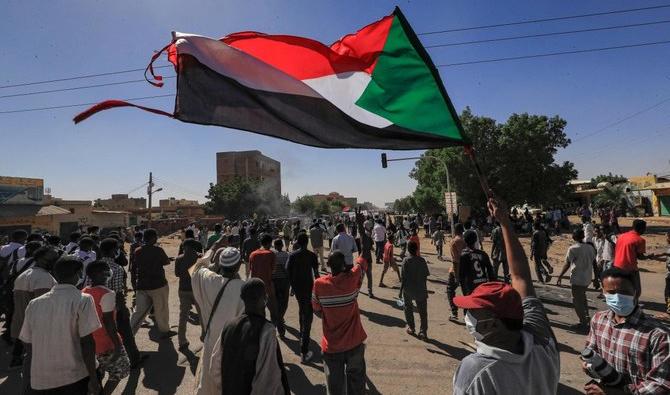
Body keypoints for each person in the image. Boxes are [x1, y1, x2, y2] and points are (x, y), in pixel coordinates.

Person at [452, 196, 560, 395]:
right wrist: (504, 222)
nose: (469, 316)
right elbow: (521, 277)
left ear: (492, 324)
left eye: (475, 312)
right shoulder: (541, 340)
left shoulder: (475, 371)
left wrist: (504, 222)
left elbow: (520, 277)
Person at [19, 256, 102, 395]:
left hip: (41, 380)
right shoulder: (83, 299)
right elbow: (87, 342)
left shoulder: (35, 303)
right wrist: (93, 379)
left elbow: (27, 341)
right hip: (75, 376)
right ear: (79, 274)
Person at [584, 267, 670, 394]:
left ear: (635, 292)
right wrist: (589, 366)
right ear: (603, 292)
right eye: (611, 292)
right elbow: (591, 350)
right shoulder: (599, 320)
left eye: (624, 292)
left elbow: (661, 383)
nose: (618, 297)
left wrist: (614, 393)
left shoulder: (658, 335)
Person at [215, 278, 290, 394]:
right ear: (264, 299)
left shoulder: (229, 325)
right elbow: (267, 379)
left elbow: (215, 366)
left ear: (243, 299)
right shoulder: (266, 331)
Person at [190, 245, 245, 395]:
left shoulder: (208, 279)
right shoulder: (244, 288)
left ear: (220, 264)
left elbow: (197, 267)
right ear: (239, 265)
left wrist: (211, 250)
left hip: (211, 340)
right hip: (233, 345)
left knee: (208, 382)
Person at [312, 251, 368, 395]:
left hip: (332, 346)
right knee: (357, 384)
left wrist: (330, 314)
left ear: (328, 265)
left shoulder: (319, 285)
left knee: (335, 387)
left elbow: (316, 309)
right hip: (354, 343)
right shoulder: (352, 280)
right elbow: (361, 263)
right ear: (344, 265)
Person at [82, 260, 131, 389]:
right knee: (121, 370)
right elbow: (109, 322)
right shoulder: (107, 294)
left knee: (98, 372)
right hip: (106, 342)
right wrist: (117, 345)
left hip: (90, 342)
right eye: (107, 270)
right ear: (102, 274)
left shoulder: (84, 291)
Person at [97, 238, 143, 369]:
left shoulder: (96, 266)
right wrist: (123, 308)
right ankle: (134, 359)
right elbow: (117, 292)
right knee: (126, 334)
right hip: (114, 308)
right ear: (113, 251)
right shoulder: (116, 268)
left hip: (98, 306)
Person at [10, 246, 58, 370]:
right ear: (42, 259)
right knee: (34, 364)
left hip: (21, 325)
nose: (56, 260)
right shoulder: (44, 278)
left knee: (30, 360)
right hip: (35, 329)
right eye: (53, 257)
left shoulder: (24, 275)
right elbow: (43, 309)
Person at [129, 229, 175, 338]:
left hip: (142, 285)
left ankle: (129, 334)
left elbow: (134, 267)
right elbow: (166, 262)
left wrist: (134, 285)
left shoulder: (137, 250)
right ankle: (164, 331)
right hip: (158, 284)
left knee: (139, 312)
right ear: (154, 238)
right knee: (161, 309)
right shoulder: (158, 250)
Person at [286, 233, 319, 363]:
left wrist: (292, 287)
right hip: (309, 288)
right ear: (307, 242)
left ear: (298, 242)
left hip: (298, 288)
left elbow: (287, 271)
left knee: (302, 310)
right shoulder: (311, 256)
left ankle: (301, 333)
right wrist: (319, 290)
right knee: (308, 317)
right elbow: (316, 274)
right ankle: (304, 351)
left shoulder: (292, 255)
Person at [556, 229, 596, 331]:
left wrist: (560, 276)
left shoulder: (573, 248)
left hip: (577, 278)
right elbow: (594, 264)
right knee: (582, 298)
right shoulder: (590, 248)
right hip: (587, 278)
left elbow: (567, 263)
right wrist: (597, 278)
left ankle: (583, 322)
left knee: (577, 301)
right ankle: (586, 317)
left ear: (574, 237)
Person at [249, 233, 282, 335]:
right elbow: (273, 271)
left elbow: (251, 270)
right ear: (269, 243)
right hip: (268, 286)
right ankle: (272, 332)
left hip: (255, 288)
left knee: (260, 312)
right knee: (274, 312)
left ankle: (260, 332)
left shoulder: (253, 254)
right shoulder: (271, 254)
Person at [175, 238, 202, 351]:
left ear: (185, 247)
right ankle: (205, 336)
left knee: (183, 316)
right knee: (202, 315)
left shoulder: (179, 258)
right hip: (197, 290)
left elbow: (177, 274)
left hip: (183, 289)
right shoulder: (199, 257)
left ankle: (182, 341)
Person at [399, 241, 429, 339]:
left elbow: (403, 278)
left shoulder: (405, 261)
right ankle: (423, 331)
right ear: (417, 249)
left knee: (408, 308)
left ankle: (411, 327)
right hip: (420, 288)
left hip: (408, 289)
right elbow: (425, 276)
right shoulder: (422, 260)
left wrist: (400, 291)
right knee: (423, 312)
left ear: (408, 249)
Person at [613, 219, 649, 297]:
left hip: (617, 265)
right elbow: (640, 257)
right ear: (641, 229)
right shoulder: (640, 240)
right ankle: (633, 305)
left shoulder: (621, 236)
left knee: (620, 288)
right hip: (630, 268)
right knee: (636, 290)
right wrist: (650, 257)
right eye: (645, 228)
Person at [459, 230, 496, 296]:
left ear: (464, 240)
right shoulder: (483, 254)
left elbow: (461, 276)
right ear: (476, 240)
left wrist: (465, 293)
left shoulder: (464, 255)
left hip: (471, 288)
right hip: (483, 286)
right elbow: (491, 273)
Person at [447, 224, 466, 321]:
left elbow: (455, 260)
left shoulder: (454, 242)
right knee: (466, 292)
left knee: (450, 290)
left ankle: (454, 313)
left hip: (456, 270)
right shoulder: (465, 240)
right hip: (466, 270)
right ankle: (467, 315)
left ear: (455, 230)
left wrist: (456, 276)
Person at [271, 239, 290, 338]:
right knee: (284, 302)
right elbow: (288, 268)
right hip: (284, 281)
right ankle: (280, 317)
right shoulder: (287, 255)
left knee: (277, 301)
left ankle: (279, 318)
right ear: (282, 245)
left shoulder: (272, 255)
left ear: (274, 246)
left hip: (274, 281)